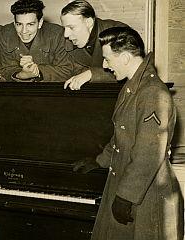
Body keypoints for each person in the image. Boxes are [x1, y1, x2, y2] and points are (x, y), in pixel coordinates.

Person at [74, 26, 183, 239]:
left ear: (124, 58)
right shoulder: (133, 85)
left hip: (148, 194)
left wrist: (126, 196)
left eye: (107, 59)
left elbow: (149, 152)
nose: (105, 66)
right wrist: (100, 160)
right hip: (133, 187)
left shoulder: (152, 92)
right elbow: (122, 135)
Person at [0, 0, 75, 82]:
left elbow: (66, 70)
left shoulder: (57, 34)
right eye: (19, 24)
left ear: (40, 23)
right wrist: (21, 75)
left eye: (30, 24)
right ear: (14, 23)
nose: (24, 31)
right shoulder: (6, 33)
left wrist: (38, 71)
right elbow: (4, 68)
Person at [61, 0, 127, 90]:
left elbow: (129, 69)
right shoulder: (69, 42)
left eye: (71, 27)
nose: (66, 34)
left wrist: (92, 74)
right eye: (64, 28)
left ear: (88, 22)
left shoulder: (119, 33)